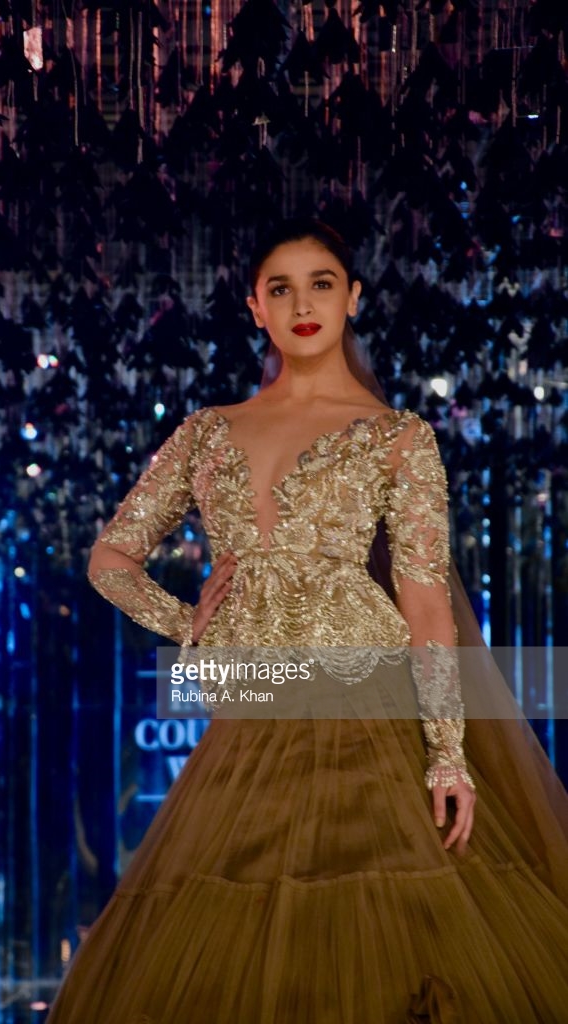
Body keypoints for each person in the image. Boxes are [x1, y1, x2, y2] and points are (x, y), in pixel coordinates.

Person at [47, 219, 568, 1023]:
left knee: (391, 932)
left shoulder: (397, 438)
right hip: (255, 708)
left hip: (370, 704)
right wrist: (187, 621)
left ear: (351, 298)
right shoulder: (206, 432)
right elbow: (108, 558)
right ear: (255, 307)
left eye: (320, 284)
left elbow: (426, 603)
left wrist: (446, 755)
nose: (301, 305)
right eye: (280, 289)